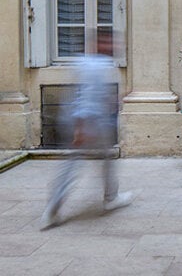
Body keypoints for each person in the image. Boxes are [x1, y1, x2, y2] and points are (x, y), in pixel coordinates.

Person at [40, 30, 132, 229]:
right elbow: (86, 98)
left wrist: (111, 102)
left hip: (88, 121)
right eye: (108, 42)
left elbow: (93, 94)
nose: (113, 46)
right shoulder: (95, 65)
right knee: (73, 165)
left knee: (103, 160)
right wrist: (81, 129)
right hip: (89, 123)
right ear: (99, 44)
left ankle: (109, 197)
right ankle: (53, 209)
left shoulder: (91, 63)